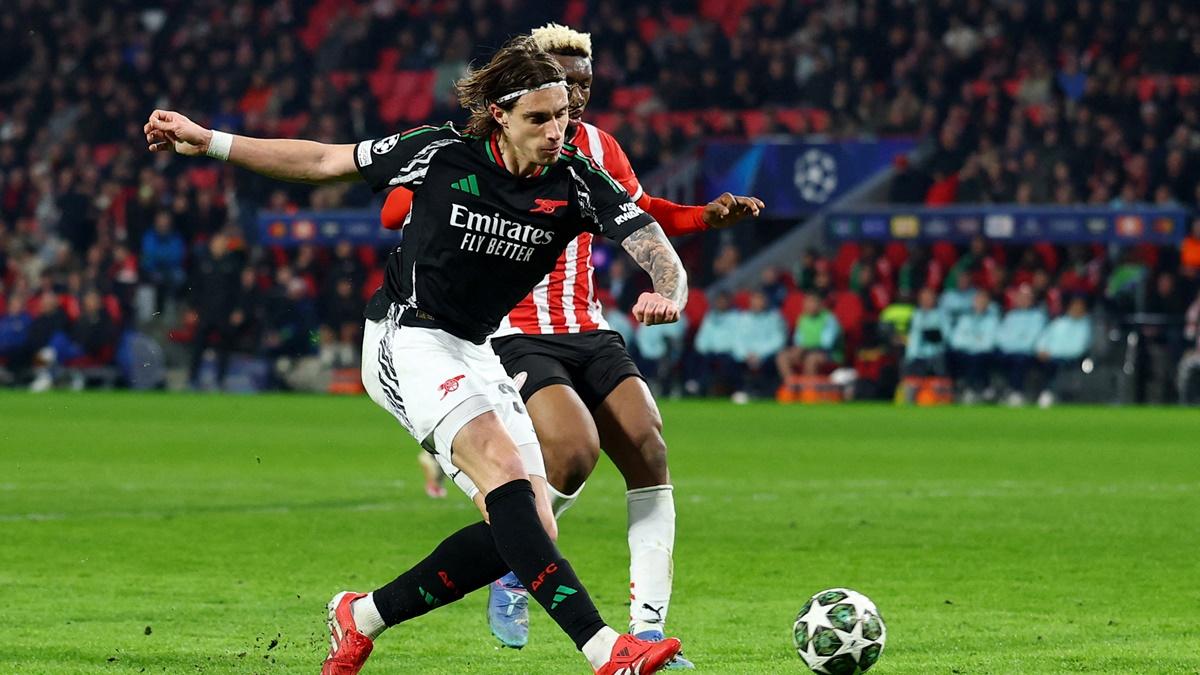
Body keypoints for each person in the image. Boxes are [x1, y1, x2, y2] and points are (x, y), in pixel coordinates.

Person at [145, 36, 687, 675]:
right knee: (507, 480)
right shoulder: (438, 153)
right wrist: (209, 140)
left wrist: (666, 290)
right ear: (498, 114)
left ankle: (361, 616)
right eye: (539, 118)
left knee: (530, 526)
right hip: (406, 336)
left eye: (563, 115)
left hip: (473, 346)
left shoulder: (576, 179)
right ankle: (606, 651)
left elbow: (653, 242)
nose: (556, 130)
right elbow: (323, 161)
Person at [379, 24, 763, 666]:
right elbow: (395, 209)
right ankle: (515, 559)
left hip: (585, 322)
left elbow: (642, 214)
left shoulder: (598, 151)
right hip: (513, 330)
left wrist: (703, 218)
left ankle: (645, 629)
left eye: (584, 83)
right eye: (563, 82)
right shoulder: (481, 147)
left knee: (648, 444)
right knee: (574, 452)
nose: (575, 95)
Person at [994, 284, 1048, 405]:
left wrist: (1016, 345)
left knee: (1020, 360)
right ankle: (987, 390)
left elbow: (1033, 339)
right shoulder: (1010, 316)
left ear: (1032, 299)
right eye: (1021, 297)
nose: (1023, 300)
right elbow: (1001, 337)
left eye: (1027, 297)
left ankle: (1016, 393)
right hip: (1008, 352)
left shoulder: (1038, 317)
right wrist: (1013, 345)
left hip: (1028, 353)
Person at [1034, 296, 1092, 407]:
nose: (1076, 309)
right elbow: (1043, 338)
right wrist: (1041, 350)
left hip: (1072, 358)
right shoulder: (1058, 323)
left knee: (1057, 365)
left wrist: (1052, 353)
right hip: (1050, 357)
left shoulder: (1086, 326)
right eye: (1074, 307)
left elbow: (1078, 348)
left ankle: (1050, 393)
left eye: (1079, 307)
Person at [949, 290, 999, 403]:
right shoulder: (965, 318)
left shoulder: (993, 320)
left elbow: (988, 343)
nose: (980, 303)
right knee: (949, 355)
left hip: (984, 354)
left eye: (983, 301)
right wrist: (975, 341)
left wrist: (970, 341)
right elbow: (956, 340)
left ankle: (973, 390)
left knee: (977, 358)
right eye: (978, 300)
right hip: (965, 352)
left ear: (988, 303)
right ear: (973, 302)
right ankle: (955, 390)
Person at [904, 286, 949, 375]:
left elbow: (947, 336)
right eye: (924, 298)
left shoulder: (942, 315)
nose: (926, 301)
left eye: (929, 298)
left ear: (935, 299)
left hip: (936, 354)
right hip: (915, 355)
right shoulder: (915, 315)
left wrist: (931, 335)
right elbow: (911, 335)